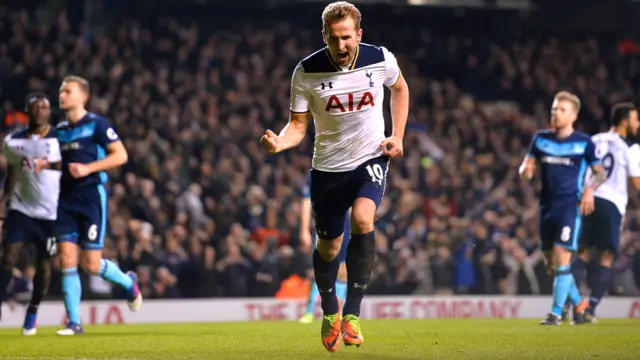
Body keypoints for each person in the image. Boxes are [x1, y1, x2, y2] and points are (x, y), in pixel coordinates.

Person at [260, 1, 409, 352]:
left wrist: (398, 135)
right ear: (324, 36)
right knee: (329, 246)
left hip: (370, 160)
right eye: (333, 39)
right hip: (327, 168)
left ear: (359, 34)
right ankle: (331, 310)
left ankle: (353, 315)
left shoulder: (380, 59)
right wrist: (280, 143)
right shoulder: (306, 72)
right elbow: (298, 126)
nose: (340, 47)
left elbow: (400, 89)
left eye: (346, 38)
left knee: (363, 218)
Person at [35, 75, 142, 335]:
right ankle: (74, 322)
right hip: (65, 201)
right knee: (67, 260)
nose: (62, 95)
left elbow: (121, 155)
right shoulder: (59, 130)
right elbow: (60, 162)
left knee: (91, 264)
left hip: (91, 198)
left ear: (82, 96)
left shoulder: (97, 124)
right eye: (61, 91)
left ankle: (129, 284)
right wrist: (45, 165)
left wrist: (88, 168)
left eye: (68, 91)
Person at [519, 91, 607, 326]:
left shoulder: (584, 142)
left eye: (561, 110)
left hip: (570, 206)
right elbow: (527, 164)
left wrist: (589, 190)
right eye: (554, 109)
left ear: (574, 115)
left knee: (561, 256)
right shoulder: (540, 138)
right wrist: (526, 171)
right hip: (546, 208)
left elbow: (601, 173)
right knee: (552, 264)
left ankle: (556, 313)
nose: (555, 113)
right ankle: (580, 305)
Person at [562, 103, 640, 323]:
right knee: (606, 255)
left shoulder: (593, 140)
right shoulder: (631, 147)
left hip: (588, 199)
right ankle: (590, 309)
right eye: (635, 119)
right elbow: (637, 182)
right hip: (611, 203)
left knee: (583, 252)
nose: (638, 124)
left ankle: (572, 305)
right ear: (624, 121)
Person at [0, 93, 61, 335]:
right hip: (21, 208)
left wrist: (47, 163)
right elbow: (12, 176)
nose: (40, 111)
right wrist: (2, 205)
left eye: (44, 108)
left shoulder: (60, 139)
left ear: (49, 112)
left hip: (49, 214)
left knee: (44, 267)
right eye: (35, 108)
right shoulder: (13, 141)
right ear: (28, 111)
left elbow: (66, 167)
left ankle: (33, 310)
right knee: (8, 256)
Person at [298, 173, 348, 324]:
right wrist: (304, 230)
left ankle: (337, 313)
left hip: (344, 222)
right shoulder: (315, 171)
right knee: (319, 269)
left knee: (343, 272)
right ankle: (309, 312)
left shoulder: (350, 166)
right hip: (324, 222)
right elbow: (307, 201)